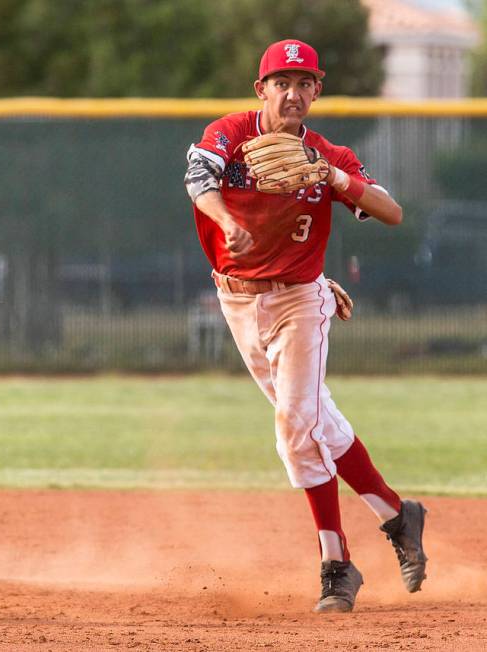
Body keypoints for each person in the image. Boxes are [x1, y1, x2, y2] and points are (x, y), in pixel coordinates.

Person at [183, 40, 427, 613]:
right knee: (322, 423)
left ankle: (336, 565)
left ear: (317, 91)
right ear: (260, 89)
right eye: (281, 82)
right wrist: (226, 220)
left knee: (297, 428)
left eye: (304, 83)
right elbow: (199, 183)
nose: (292, 93)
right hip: (237, 301)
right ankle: (398, 517)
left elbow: (391, 211)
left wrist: (339, 183)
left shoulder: (327, 155)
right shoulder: (229, 133)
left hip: (299, 301)